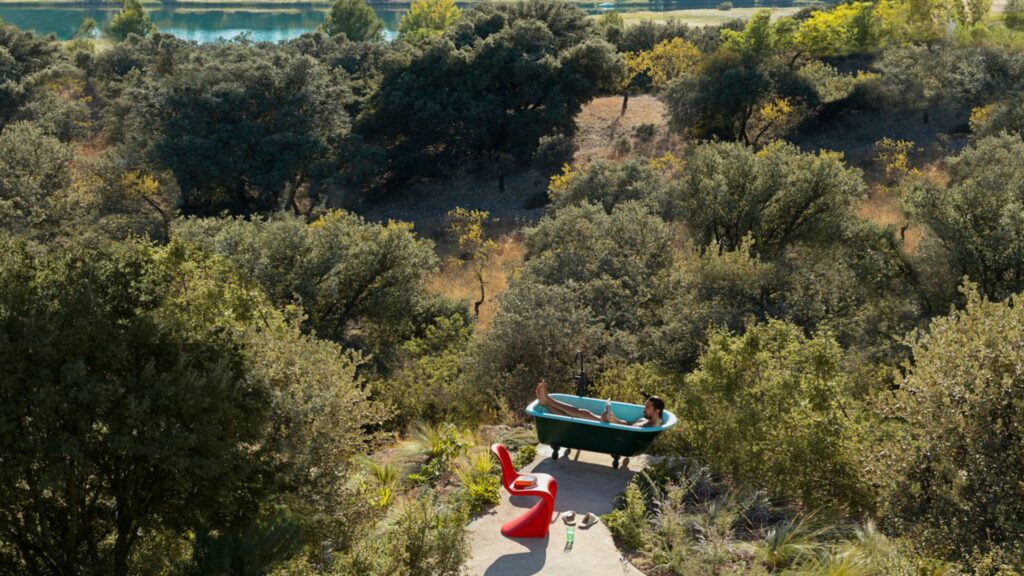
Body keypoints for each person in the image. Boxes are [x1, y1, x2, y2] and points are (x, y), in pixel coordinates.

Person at [535, 380, 664, 428]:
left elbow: (629, 431)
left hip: (612, 432)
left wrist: (612, 421)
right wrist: (614, 418)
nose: (644, 408)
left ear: (657, 410)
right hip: (613, 426)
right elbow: (628, 425)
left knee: (581, 413)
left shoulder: (651, 426)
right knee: (577, 416)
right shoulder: (646, 419)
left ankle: (548, 401)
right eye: (645, 405)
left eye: (647, 407)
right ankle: (547, 403)